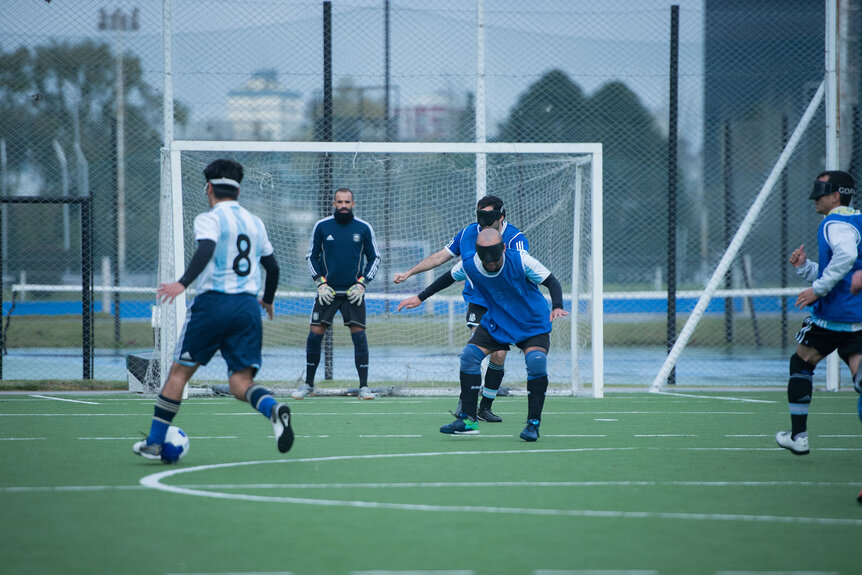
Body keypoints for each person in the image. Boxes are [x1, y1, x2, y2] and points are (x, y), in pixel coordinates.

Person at [133, 159, 293, 461]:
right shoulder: (255, 222)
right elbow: (272, 266)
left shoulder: (210, 218)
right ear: (238, 189)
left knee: (179, 374)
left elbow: (206, 248)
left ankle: (154, 443)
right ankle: (273, 409)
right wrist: (268, 299)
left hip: (213, 304)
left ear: (209, 188)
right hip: (247, 307)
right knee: (240, 383)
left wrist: (182, 283)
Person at [397, 228, 568, 441]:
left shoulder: (522, 260)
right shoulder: (470, 264)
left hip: (531, 321)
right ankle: (468, 419)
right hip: (497, 320)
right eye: (486, 261)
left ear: (504, 248)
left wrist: (557, 306)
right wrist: (420, 297)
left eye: (495, 260)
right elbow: (447, 278)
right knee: (469, 356)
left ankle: (533, 423)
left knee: (536, 361)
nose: (491, 265)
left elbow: (551, 281)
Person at [393, 195, 528, 422]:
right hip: (478, 300)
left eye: (490, 217)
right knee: (475, 351)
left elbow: (523, 271)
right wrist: (409, 273)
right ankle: (466, 402)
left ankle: (485, 407)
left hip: (506, 305)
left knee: (499, 354)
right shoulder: (467, 233)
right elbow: (440, 258)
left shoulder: (516, 238)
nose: (484, 223)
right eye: (480, 216)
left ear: (502, 216)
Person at [777, 170, 860, 456]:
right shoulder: (856, 220)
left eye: (821, 191)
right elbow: (845, 271)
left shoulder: (834, 223)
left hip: (832, 317)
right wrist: (806, 267)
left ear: (836, 195)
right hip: (858, 318)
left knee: (801, 363)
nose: (816, 197)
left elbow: (846, 257)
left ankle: (798, 436)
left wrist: (818, 289)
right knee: (859, 373)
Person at [292, 187, 381, 400]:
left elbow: (374, 258)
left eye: (347, 202)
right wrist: (320, 283)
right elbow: (311, 256)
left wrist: (362, 284)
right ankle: (308, 385)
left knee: (359, 337)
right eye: (339, 202)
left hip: (353, 293)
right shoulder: (322, 227)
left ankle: (364, 387)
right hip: (327, 292)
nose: (343, 206)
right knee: (314, 336)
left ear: (353, 204)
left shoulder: (364, 228)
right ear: (333, 204)